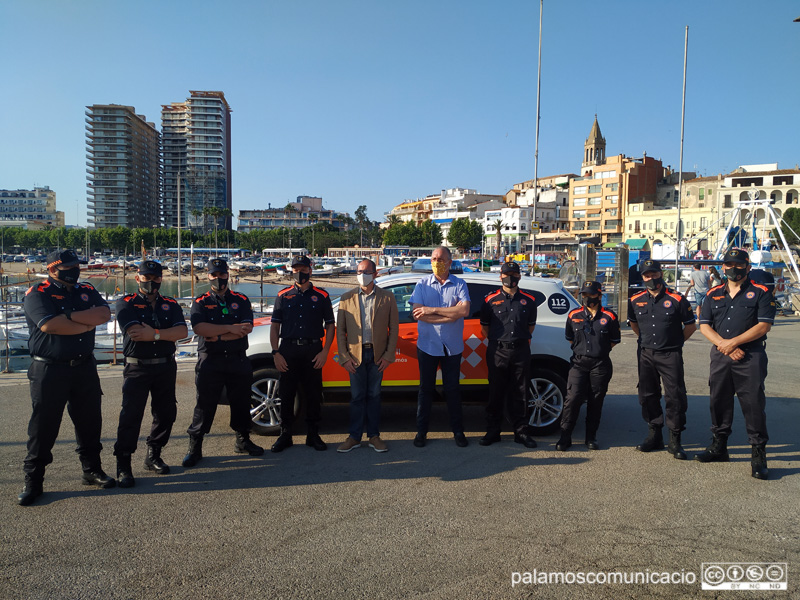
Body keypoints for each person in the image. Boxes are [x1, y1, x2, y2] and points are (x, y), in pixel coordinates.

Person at [18, 250, 114, 506]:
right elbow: (49, 325)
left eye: (76, 265)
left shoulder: (86, 290)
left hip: (83, 367)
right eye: (68, 266)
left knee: (90, 421)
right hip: (50, 370)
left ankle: (92, 470)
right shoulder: (38, 293)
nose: (74, 269)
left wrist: (68, 319)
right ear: (52, 269)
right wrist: (84, 322)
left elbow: (104, 315)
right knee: (44, 426)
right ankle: (33, 481)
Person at [695, 248, 776, 479]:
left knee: (753, 405)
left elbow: (763, 325)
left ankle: (758, 454)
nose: (733, 268)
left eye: (739, 265)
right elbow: (704, 325)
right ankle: (719, 447)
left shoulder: (761, 292)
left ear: (748, 267)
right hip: (721, 355)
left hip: (750, 356)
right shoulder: (713, 294)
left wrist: (734, 343)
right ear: (723, 267)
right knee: (718, 401)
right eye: (729, 264)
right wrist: (724, 345)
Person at [182, 258, 264, 467]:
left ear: (228, 274)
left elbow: (246, 328)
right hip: (211, 361)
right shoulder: (200, 302)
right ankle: (195, 447)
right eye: (214, 275)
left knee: (242, 402)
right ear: (208, 275)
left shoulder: (241, 299)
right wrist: (230, 330)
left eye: (222, 274)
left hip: (237, 359)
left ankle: (243, 440)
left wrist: (217, 333)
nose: (218, 278)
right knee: (204, 405)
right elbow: (200, 329)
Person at [113, 260, 188, 487]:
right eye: (146, 278)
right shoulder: (125, 303)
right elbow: (135, 333)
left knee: (166, 413)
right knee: (131, 416)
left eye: (156, 278)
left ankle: (153, 454)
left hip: (165, 365)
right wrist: (166, 333)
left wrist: (154, 334)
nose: (151, 282)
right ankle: (123, 464)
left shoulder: (170, 303)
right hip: (138, 367)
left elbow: (182, 331)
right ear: (138, 278)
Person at [627, 259, 696, 460]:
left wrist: (674, 342)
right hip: (646, 353)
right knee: (647, 394)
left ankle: (675, 440)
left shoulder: (677, 299)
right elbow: (634, 324)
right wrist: (646, 341)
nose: (651, 278)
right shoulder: (636, 300)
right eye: (647, 276)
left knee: (675, 396)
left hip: (670, 353)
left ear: (661, 274)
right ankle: (654, 434)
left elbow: (690, 327)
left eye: (654, 274)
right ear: (642, 277)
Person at [270, 256, 335, 452]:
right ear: (292, 271)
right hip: (288, 349)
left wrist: (325, 351)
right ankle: (285, 434)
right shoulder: (283, 295)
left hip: (313, 350)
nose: (300, 272)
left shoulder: (322, 296)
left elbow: (330, 325)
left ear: (310, 270)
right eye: (296, 268)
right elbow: (275, 326)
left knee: (313, 394)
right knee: (287, 393)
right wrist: (275, 352)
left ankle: (313, 434)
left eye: (303, 268)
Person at [409, 246, 471, 447]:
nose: (436, 262)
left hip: (452, 347)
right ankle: (421, 433)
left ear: (450, 262)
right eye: (434, 258)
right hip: (427, 346)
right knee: (425, 390)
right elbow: (418, 313)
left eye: (441, 258)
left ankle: (458, 432)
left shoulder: (460, 283)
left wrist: (432, 310)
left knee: (452, 390)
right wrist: (450, 314)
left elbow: (464, 311)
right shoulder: (422, 284)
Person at [335, 259, 399, 453]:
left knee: (374, 396)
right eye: (359, 271)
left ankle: (374, 436)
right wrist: (344, 357)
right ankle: (354, 437)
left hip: (377, 354)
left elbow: (394, 329)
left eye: (366, 271)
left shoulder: (388, 298)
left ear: (375, 274)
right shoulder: (346, 298)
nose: (362, 275)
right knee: (356, 397)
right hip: (355, 355)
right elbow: (341, 331)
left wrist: (388, 355)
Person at [477, 262, 538, 448]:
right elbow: (485, 328)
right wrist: (500, 341)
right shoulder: (490, 300)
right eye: (506, 273)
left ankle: (521, 432)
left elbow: (530, 327)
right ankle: (493, 431)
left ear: (519, 276)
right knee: (495, 392)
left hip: (520, 350)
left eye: (514, 273)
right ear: (500, 276)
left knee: (521, 393)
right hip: (497, 351)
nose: (510, 277)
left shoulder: (529, 300)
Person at [556, 281, 620, 451]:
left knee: (595, 400)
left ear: (599, 295)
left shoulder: (610, 316)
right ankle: (565, 436)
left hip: (600, 364)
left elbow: (614, 340)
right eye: (584, 295)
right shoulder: (573, 315)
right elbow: (570, 337)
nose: (587, 298)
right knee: (573, 399)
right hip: (578, 363)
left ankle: (591, 437)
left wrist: (598, 350)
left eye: (591, 295)